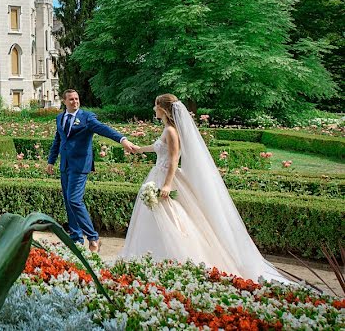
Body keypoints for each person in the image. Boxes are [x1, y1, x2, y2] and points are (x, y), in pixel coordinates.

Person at [118, 94, 288, 283]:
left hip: (166, 177)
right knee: (155, 218)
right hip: (158, 174)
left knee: (172, 219)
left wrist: (167, 184)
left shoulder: (171, 131)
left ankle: (175, 257)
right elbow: (160, 149)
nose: (153, 109)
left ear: (163, 109)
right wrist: (139, 149)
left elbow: (174, 158)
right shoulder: (167, 130)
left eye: (156, 105)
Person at [47, 89, 136, 252]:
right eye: (71, 99)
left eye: (77, 98)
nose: (75, 101)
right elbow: (58, 140)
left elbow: (103, 129)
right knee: (68, 201)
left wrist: (122, 139)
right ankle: (76, 238)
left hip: (81, 165)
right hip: (65, 165)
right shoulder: (60, 118)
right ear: (64, 101)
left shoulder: (87, 117)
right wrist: (51, 161)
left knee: (74, 200)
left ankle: (93, 238)